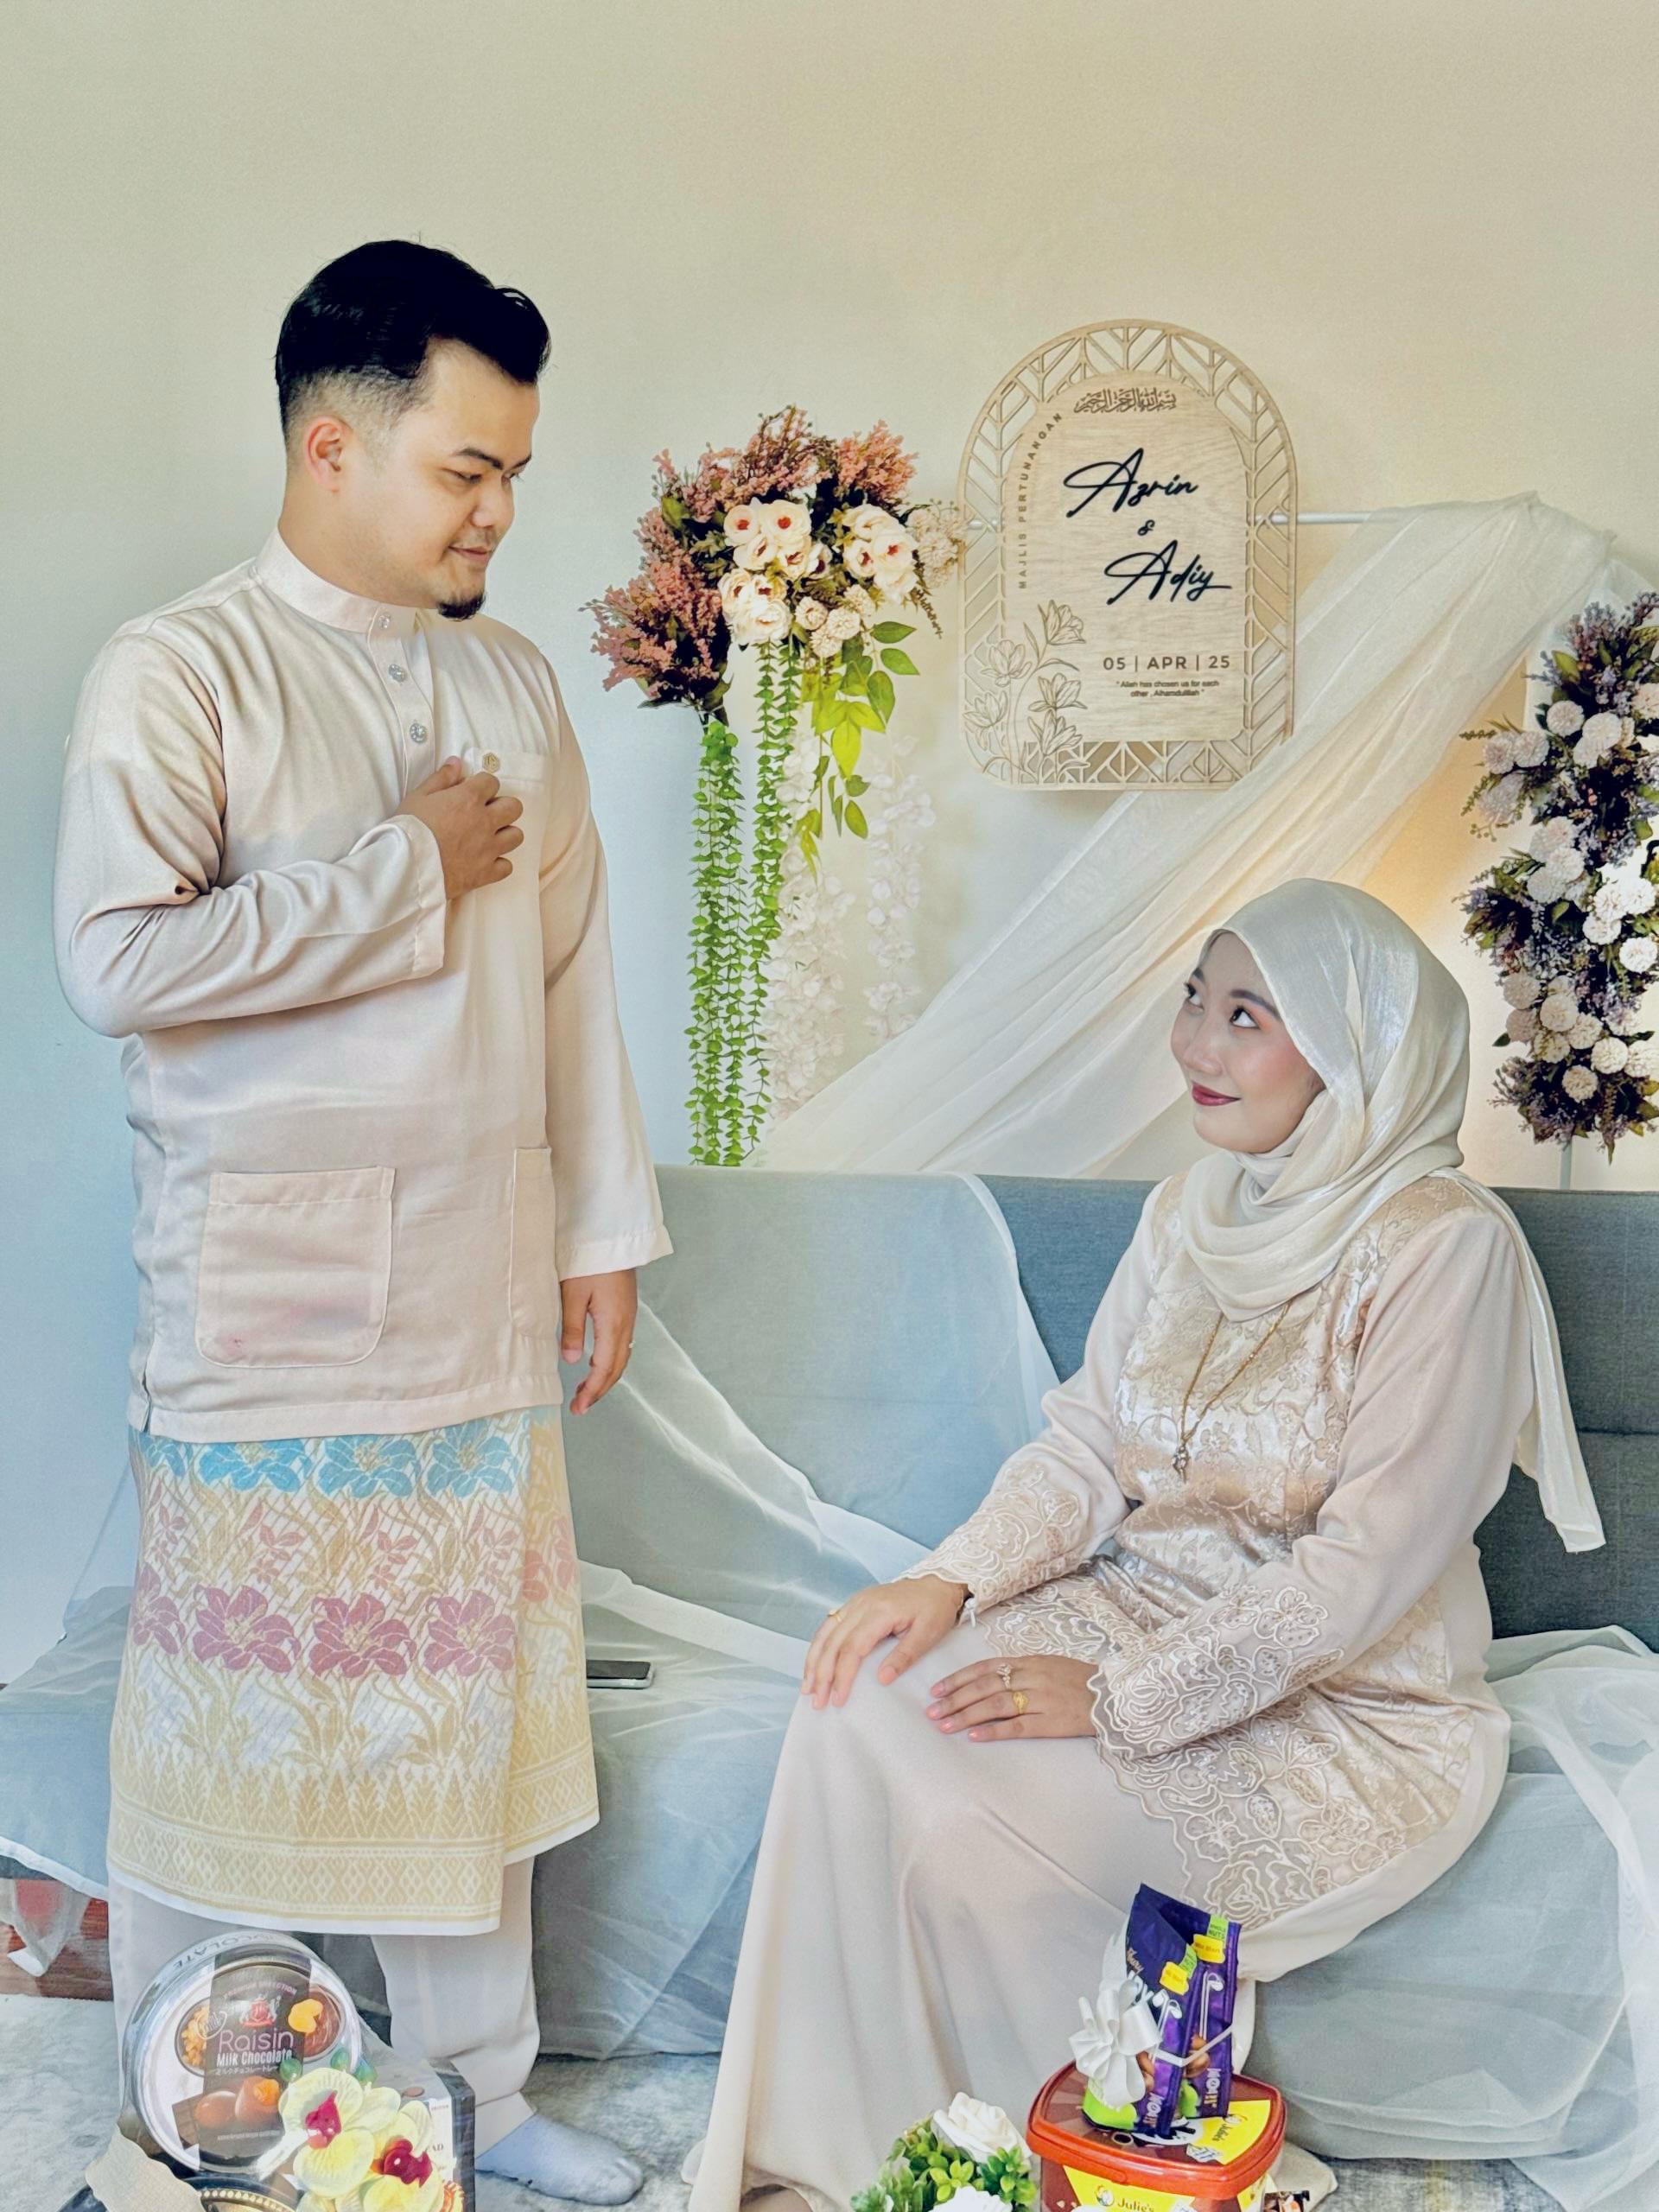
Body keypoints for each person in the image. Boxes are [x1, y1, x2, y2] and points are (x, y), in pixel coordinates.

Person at [686, 878, 1604, 2212]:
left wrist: (1119, 1698)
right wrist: (946, 1578)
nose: (1196, 1044)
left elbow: (1365, 1571)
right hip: (1132, 1601)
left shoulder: (1446, 1249)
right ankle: (852, 2158)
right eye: (1194, 1001)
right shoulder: (1191, 1209)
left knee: (975, 1813)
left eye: (1248, 1017)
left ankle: (1049, 2166)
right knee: (859, 1699)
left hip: (1340, 1701)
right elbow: (1084, 1447)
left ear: (1351, 1052)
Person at [53, 239, 671, 2203]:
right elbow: (116, 958)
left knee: (456, 1713)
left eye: (513, 472)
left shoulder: (511, 681)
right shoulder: (183, 669)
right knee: (221, 1730)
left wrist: (598, 1230)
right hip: (266, 1306)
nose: (500, 511)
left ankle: (481, 2092)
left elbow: (570, 973)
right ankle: (191, 2107)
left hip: (477, 1284)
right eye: (465, 469)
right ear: (334, 445)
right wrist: (406, 869)